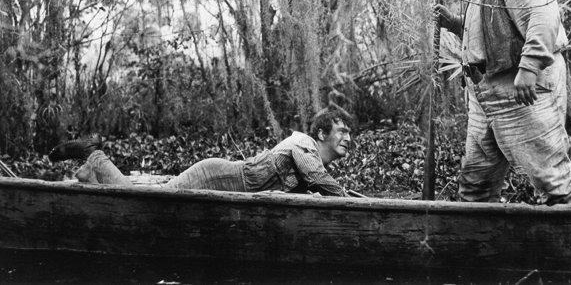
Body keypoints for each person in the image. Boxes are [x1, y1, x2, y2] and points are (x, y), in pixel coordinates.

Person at [433, 0, 571, 205]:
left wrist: (529, 68)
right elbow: (492, 34)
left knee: (553, 179)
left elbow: (542, 18)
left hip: (522, 92)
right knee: (475, 186)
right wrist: (454, 23)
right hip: (485, 95)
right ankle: (480, 248)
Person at [49, 108, 354, 197]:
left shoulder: (308, 154)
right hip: (214, 175)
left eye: (350, 132)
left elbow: (311, 186)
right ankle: (94, 155)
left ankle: (93, 170)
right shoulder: (302, 143)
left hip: (227, 182)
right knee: (150, 201)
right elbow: (320, 179)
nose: (348, 138)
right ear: (322, 133)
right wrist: (348, 200)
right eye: (342, 131)